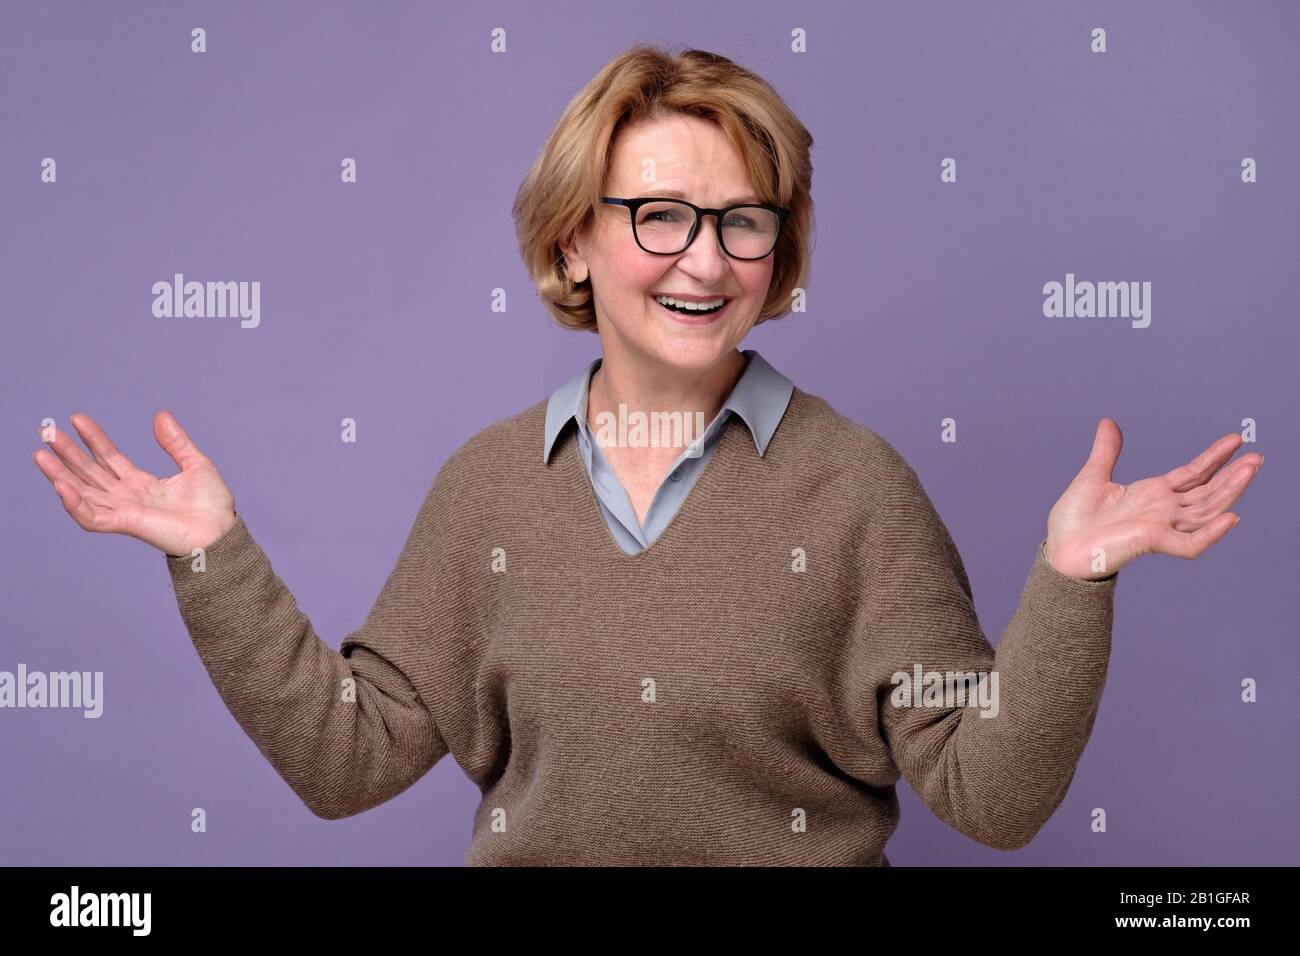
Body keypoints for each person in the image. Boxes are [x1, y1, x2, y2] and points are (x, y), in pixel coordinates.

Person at [31, 44, 1262, 866]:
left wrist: (1070, 577)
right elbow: (347, 758)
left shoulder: (859, 489)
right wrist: (211, 559)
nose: (705, 258)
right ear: (573, 244)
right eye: (659, 215)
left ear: (779, 260)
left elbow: (989, 796)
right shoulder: (488, 489)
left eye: (743, 223)